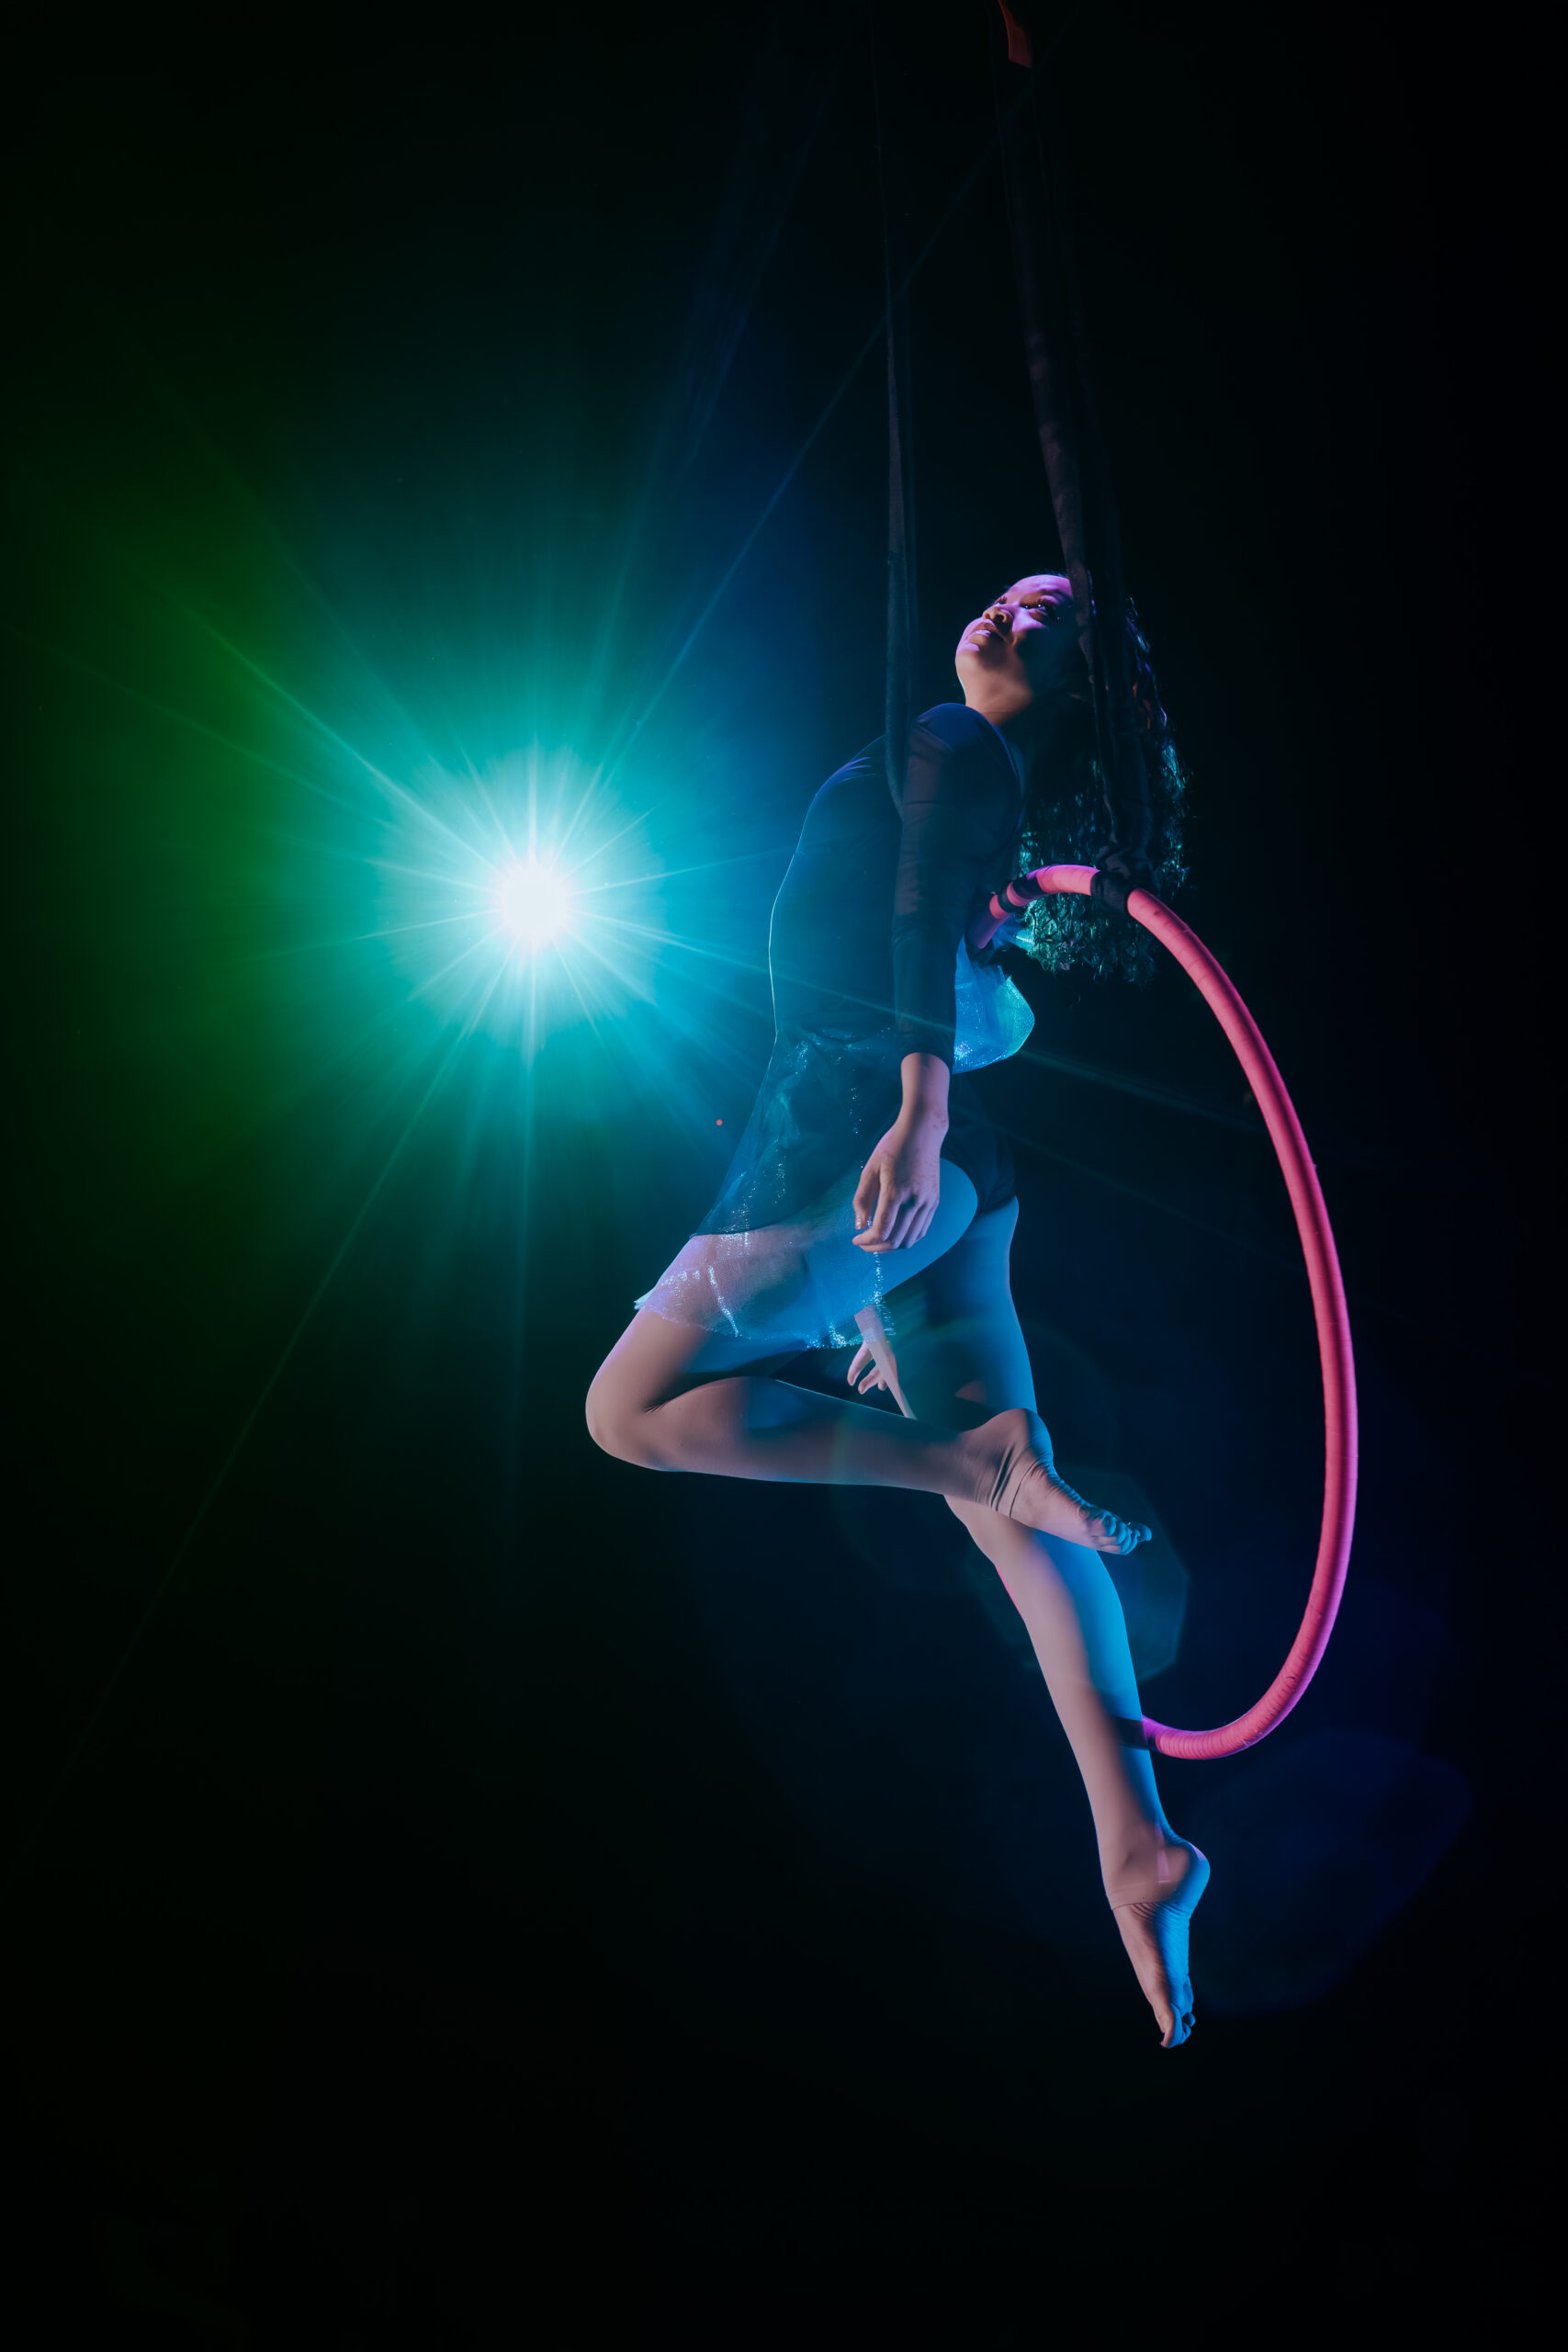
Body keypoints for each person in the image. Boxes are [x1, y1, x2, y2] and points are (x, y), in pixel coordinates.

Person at [586, 575, 1207, 2045]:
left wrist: (919, 1112)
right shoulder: (981, 785)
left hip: (863, 1137)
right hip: (929, 1169)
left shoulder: (947, 746)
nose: (1003, 610)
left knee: (629, 1414)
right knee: (1020, 1505)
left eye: (1041, 613)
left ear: (1080, 685)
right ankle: (1139, 1841)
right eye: (1006, 594)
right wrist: (925, 1144)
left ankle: (961, 1462)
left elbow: (917, 905)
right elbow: (931, 922)